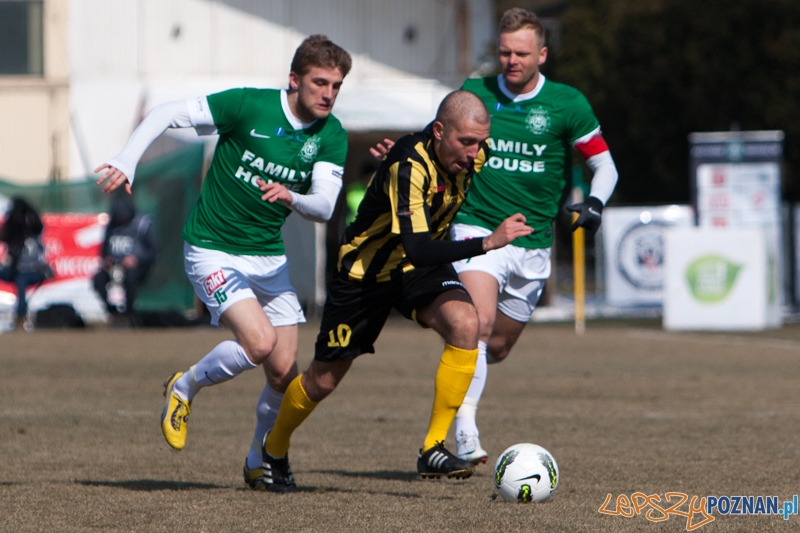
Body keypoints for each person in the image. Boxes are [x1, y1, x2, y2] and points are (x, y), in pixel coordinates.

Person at [94, 35, 352, 490]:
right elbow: (163, 113)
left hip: (268, 258)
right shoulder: (247, 106)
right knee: (259, 343)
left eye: (336, 85)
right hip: (211, 246)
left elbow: (327, 205)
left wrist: (293, 195)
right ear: (294, 80)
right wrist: (128, 159)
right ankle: (184, 386)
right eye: (319, 82)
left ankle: (258, 460)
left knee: (283, 370)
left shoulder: (331, 135)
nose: (328, 93)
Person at [258, 90, 533, 493]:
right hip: (365, 274)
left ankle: (433, 447)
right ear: (440, 132)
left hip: (415, 268)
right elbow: (420, 247)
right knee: (322, 381)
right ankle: (274, 447)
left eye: (480, 142)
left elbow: (420, 252)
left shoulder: (469, 150)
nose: (475, 153)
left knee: (466, 324)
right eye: (466, 143)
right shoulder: (409, 167)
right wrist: (487, 243)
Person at [449, 8, 619, 464]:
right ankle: (465, 429)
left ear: (542, 54)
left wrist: (595, 203)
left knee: (498, 346)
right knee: (477, 325)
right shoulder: (474, 93)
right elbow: (440, 143)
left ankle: (466, 369)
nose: (511, 61)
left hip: (533, 243)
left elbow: (604, 165)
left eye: (521, 53)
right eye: (504, 52)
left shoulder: (567, 104)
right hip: (478, 227)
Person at [93, 197, 157, 322]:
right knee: (98, 279)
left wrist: (136, 259)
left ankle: (129, 313)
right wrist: (107, 259)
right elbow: (104, 249)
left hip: (138, 267)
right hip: (115, 267)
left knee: (131, 277)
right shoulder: (112, 224)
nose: (121, 221)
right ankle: (111, 311)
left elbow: (154, 252)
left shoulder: (142, 224)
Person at [0, 198, 52, 330]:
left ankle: (20, 317)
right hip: (14, 271)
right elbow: (4, 236)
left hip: (33, 272)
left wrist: (28, 216)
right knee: (18, 278)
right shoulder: (12, 233)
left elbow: (38, 227)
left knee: (21, 281)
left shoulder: (33, 232)